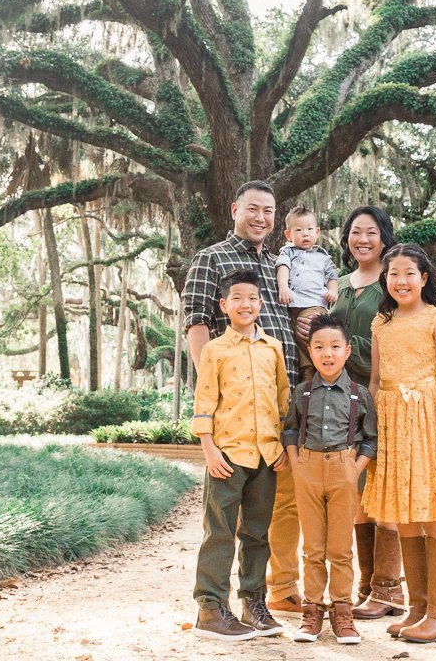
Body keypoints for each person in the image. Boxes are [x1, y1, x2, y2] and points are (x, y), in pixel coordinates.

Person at [182, 180, 305, 615]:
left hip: (275, 415)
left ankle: (264, 596)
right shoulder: (211, 258)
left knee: (267, 518)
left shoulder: (278, 265)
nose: (260, 218)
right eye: (252, 208)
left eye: (269, 211)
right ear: (235, 209)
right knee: (222, 522)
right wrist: (214, 399)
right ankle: (211, 606)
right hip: (233, 417)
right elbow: (197, 325)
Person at [360, 244, 436, 644]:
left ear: (424, 278)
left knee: (434, 510)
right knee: (403, 512)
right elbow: (375, 381)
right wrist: (370, 430)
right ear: (384, 279)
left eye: (409, 273)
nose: (401, 281)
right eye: (393, 274)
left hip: (427, 421)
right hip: (390, 422)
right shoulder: (380, 323)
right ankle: (420, 609)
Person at [190, 268, 291, 641]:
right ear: (224, 304)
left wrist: (282, 445)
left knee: (257, 534)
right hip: (227, 456)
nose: (245, 304)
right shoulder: (214, 350)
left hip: (266, 456)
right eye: (237, 298)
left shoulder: (273, 348)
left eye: (251, 298)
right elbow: (204, 403)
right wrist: (209, 449)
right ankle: (211, 609)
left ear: (261, 303)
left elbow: (283, 400)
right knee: (219, 532)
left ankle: (254, 603)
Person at [282, 313, 377, 644]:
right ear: (310, 351)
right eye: (319, 346)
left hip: (343, 469)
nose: (327, 353)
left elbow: (370, 438)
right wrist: (296, 463)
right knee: (313, 547)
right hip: (307, 468)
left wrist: (355, 467)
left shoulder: (358, 394)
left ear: (347, 351)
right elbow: (291, 429)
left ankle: (342, 613)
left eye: (335, 346)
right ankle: (311, 613)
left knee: (340, 548)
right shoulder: (302, 392)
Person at [329, 205, 405, 619]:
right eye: (355, 232)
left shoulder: (393, 282)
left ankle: (390, 589)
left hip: (381, 395)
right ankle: (368, 586)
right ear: (346, 238)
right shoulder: (337, 284)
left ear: (384, 237)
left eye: (371, 232)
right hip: (341, 400)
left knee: (384, 489)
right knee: (358, 493)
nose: (362, 239)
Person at [276, 205, 340, 383]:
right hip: (292, 304)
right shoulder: (287, 252)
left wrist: (332, 290)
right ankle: (307, 372)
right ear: (288, 235)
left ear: (317, 232)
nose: (305, 234)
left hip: (314, 305)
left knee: (311, 336)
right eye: (299, 230)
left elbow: (332, 276)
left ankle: (323, 371)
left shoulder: (323, 256)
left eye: (310, 229)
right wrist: (283, 287)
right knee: (297, 340)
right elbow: (283, 268)